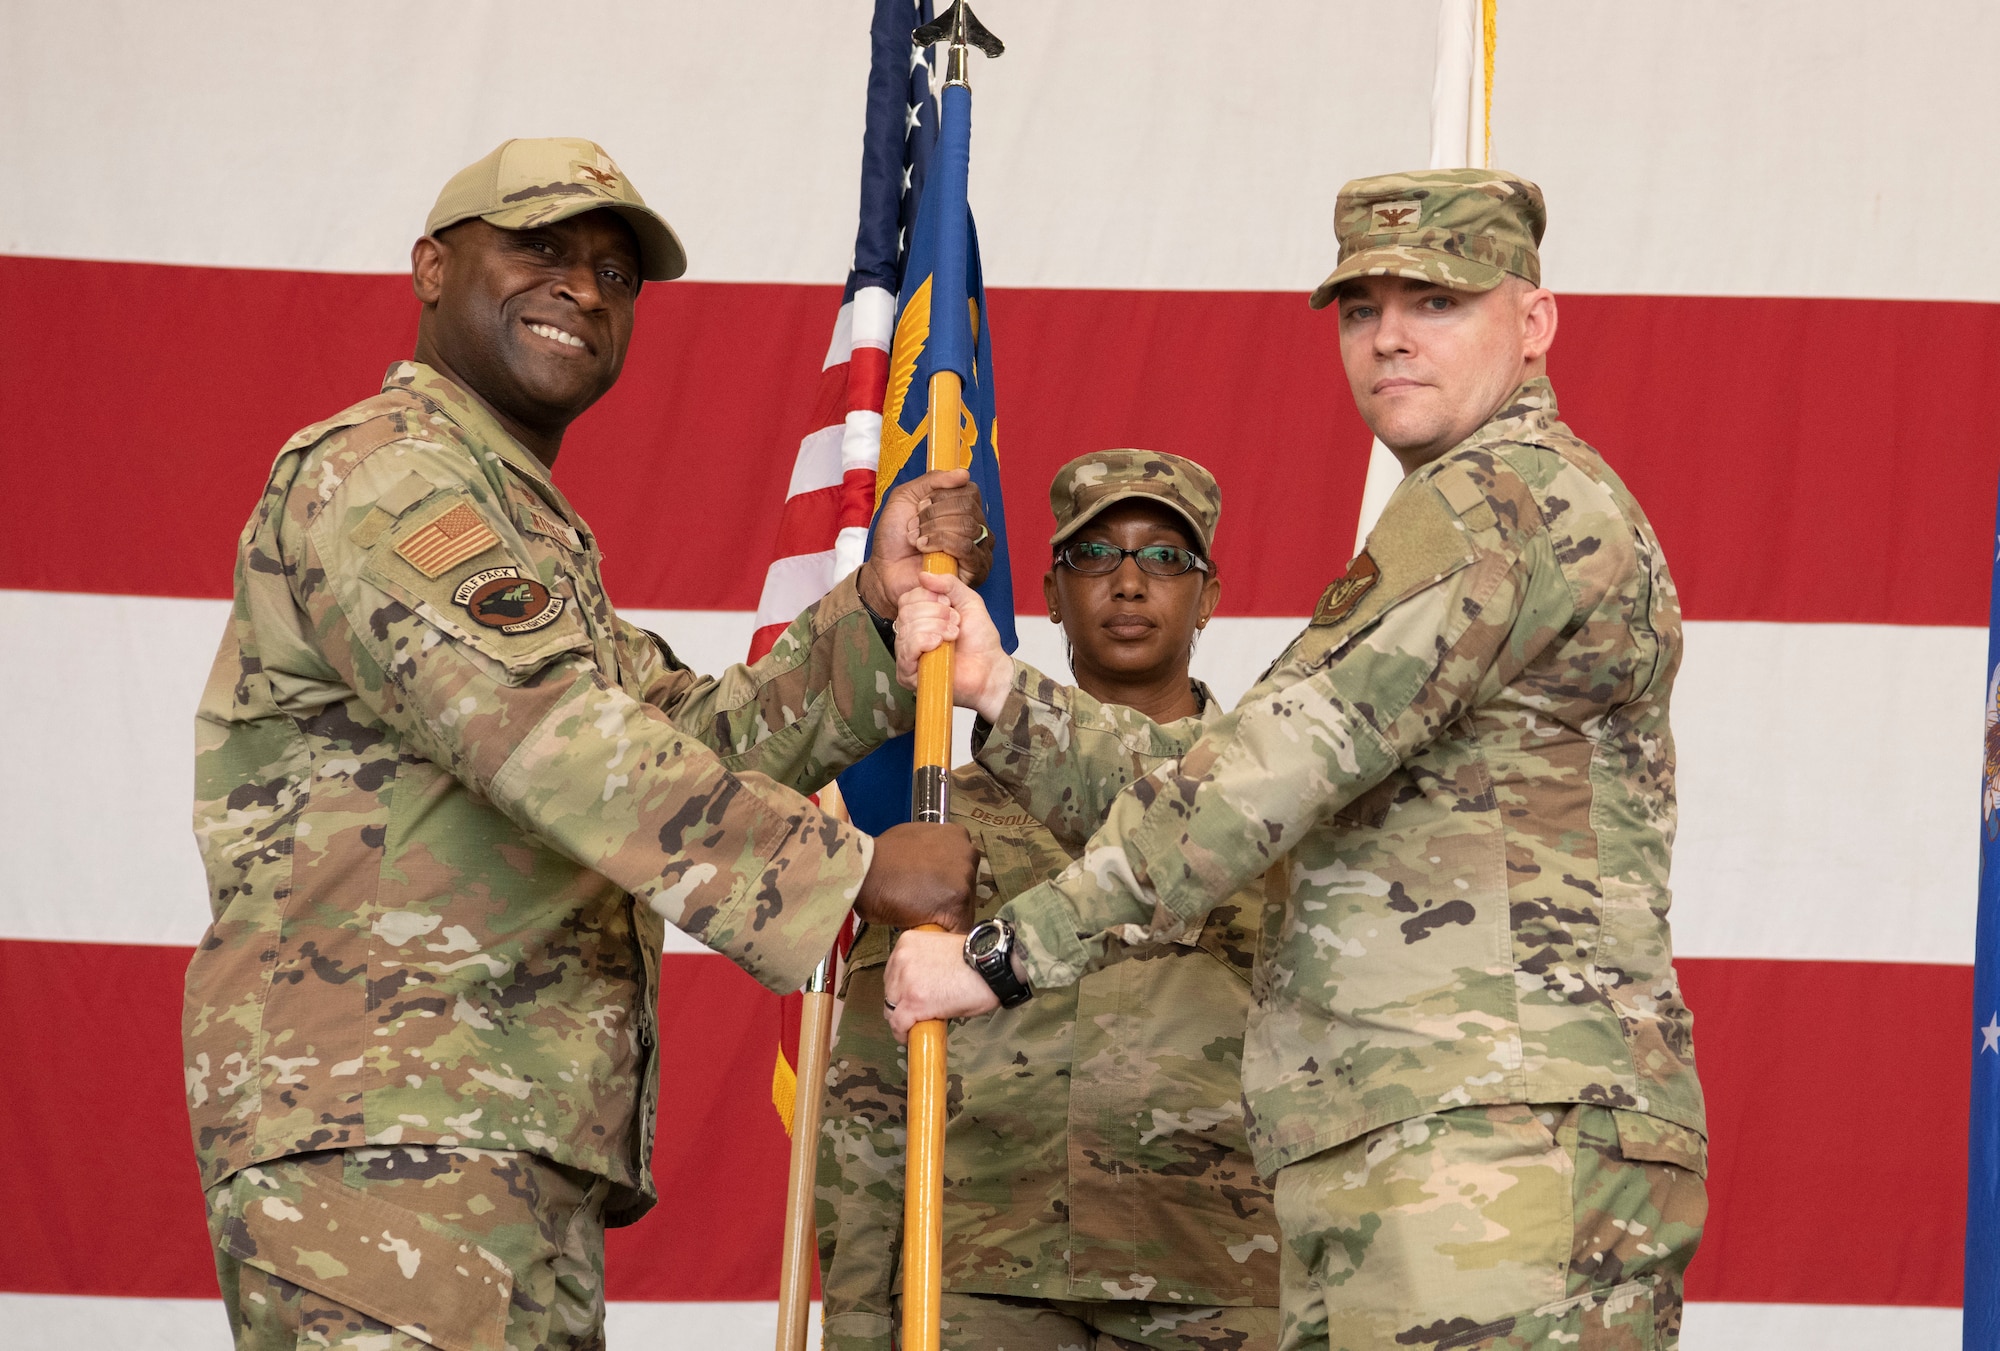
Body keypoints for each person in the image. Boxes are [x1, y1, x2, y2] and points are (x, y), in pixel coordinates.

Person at [184, 137, 989, 1351]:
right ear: (430, 268)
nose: (581, 288)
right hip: (393, 1131)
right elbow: (552, 738)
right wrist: (848, 873)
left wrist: (873, 614)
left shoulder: (515, 521)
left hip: (490, 1136)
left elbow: (683, 733)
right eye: (540, 248)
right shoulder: (390, 473)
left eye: (613, 273)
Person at [883, 170, 1708, 1351]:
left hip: (1491, 1141)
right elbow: (1243, 768)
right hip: (1417, 1134)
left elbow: (1271, 774)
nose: (1388, 338)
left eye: (1435, 301)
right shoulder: (1463, 513)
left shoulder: (1504, 502)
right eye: (1360, 307)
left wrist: (1003, 954)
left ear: (1531, 325)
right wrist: (1000, 691)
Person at [817, 451, 1281, 1351]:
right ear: (1049, 594)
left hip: (1223, 1276)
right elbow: (874, 1090)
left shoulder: (1275, 809)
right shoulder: (939, 824)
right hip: (982, 1282)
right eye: (1095, 556)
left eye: (1165, 558)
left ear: (1210, 595)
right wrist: (864, 1323)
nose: (1131, 582)